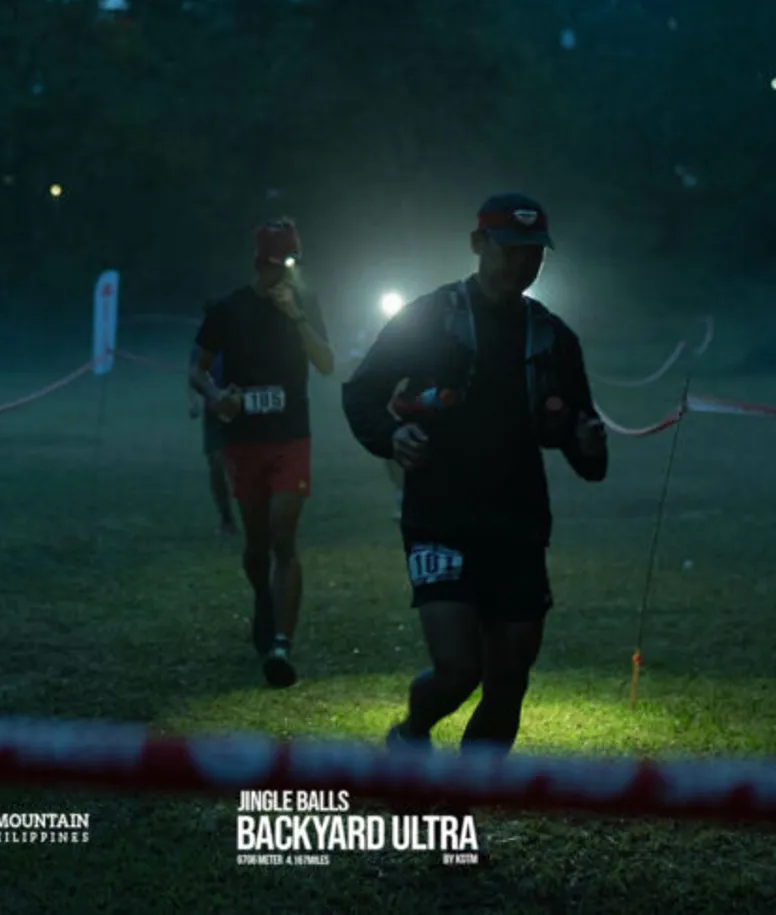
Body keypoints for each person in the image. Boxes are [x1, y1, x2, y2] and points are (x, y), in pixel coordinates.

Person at [342, 193, 608, 754]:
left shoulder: (554, 337)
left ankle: (462, 811)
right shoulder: (428, 318)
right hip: (439, 514)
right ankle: (412, 733)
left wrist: (586, 441)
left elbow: (587, 456)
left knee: (508, 680)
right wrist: (391, 436)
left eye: (534, 253)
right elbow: (360, 393)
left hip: (518, 521)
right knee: (459, 670)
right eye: (510, 250)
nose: (522, 265)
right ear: (477, 245)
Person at [192, 219, 335, 687]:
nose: (289, 275)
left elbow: (327, 364)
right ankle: (263, 598)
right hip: (245, 440)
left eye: (295, 265)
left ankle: (281, 646)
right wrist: (217, 398)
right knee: (256, 544)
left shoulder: (304, 304)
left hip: (292, 435)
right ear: (263, 264)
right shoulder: (229, 308)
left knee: (283, 535)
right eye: (282, 265)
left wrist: (296, 316)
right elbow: (198, 370)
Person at [187, 344, 236, 535]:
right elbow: (193, 375)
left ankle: (254, 515)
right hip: (214, 412)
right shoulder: (202, 343)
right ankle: (226, 520)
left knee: (238, 466)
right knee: (216, 464)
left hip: (238, 407)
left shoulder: (239, 337)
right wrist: (193, 403)